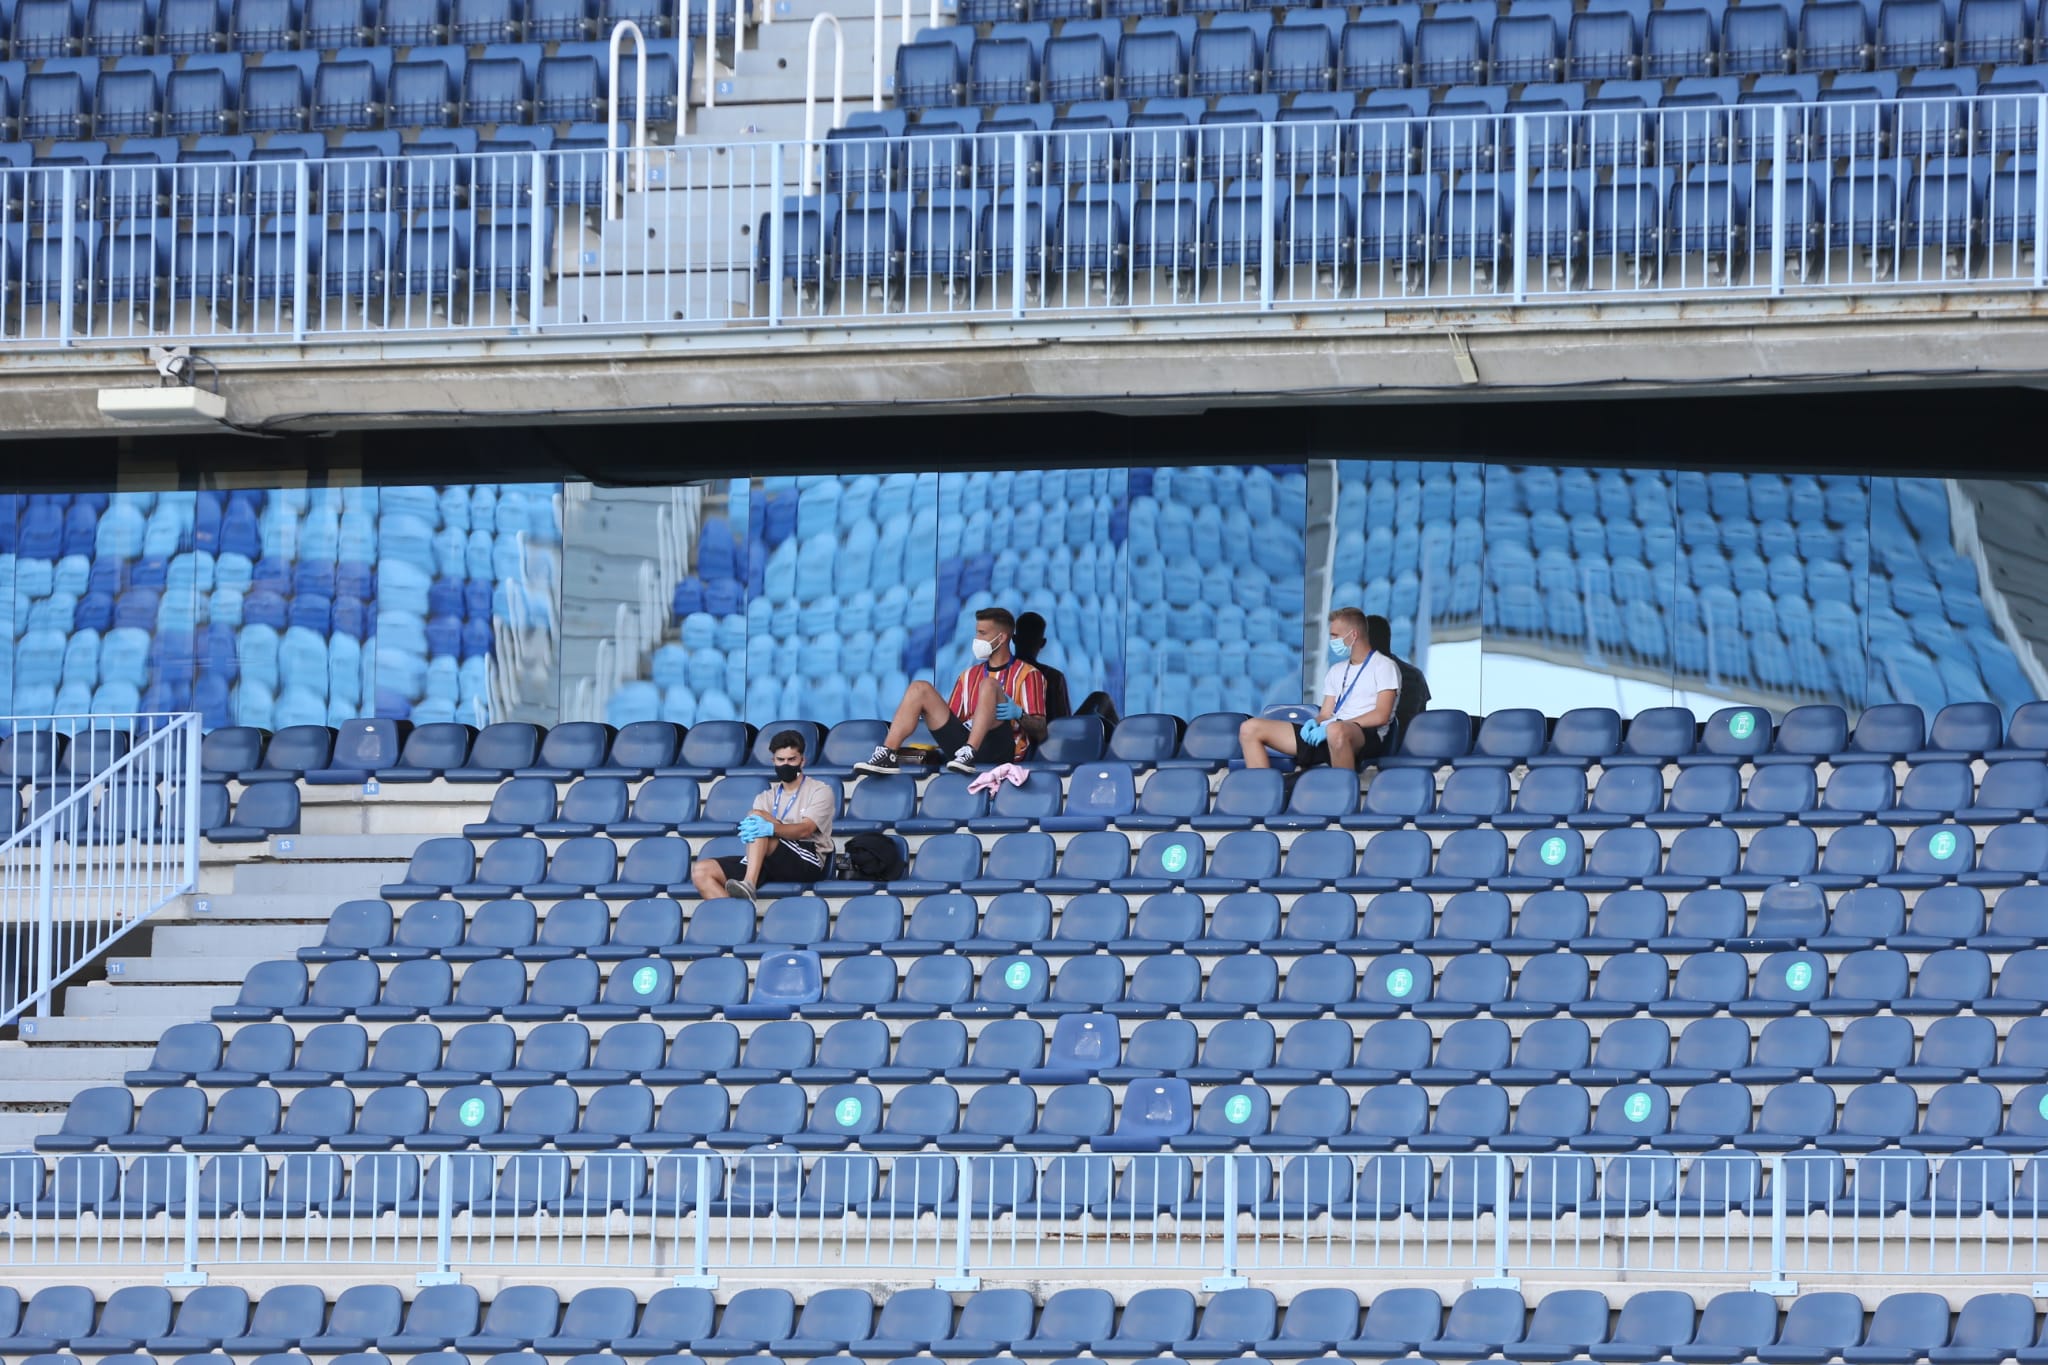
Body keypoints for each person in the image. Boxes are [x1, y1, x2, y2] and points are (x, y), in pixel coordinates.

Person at [856, 606, 1047, 776]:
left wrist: (1019, 714)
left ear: (1002, 637)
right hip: (961, 748)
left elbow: (1041, 733)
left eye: (982, 634)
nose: (976, 640)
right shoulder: (968, 675)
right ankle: (887, 754)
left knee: (989, 685)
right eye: (976, 634)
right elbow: (953, 721)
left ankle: (969, 752)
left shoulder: (1029, 674)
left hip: (1002, 750)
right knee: (919, 688)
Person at [1238, 606, 1400, 770]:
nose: (1332, 641)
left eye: (1335, 635)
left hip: (1366, 735)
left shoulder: (1384, 666)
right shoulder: (1336, 670)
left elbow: (1381, 715)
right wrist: (1314, 723)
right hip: (1330, 730)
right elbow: (1325, 714)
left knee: (1336, 731)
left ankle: (1342, 792)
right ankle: (1264, 792)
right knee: (1250, 728)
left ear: (1353, 635)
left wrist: (1334, 726)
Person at [690, 729, 835, 901]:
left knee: (758, 817)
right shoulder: (765, 797)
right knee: (701, 871)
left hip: (807, 859)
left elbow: (805, 830)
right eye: (781, 760)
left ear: (802, 761)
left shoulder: (820, 790)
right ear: (773, 761)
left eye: (792, 759)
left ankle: (749, 884)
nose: (786, 764)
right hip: (768, 861)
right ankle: (737, 922)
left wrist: (770, 827)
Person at [1013, 611, 1072, 721]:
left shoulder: (996, 674)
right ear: (1042, 643)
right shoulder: (1053, 677)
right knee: (1100, 699)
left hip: (1006, 737)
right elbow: (1063, 723)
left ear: (1014, 639)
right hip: (1047, 737)